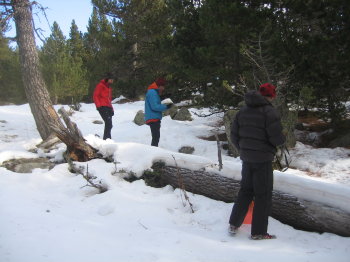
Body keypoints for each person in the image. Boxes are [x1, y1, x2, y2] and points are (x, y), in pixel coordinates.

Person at [228, 83, 285, 240]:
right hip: (263, 159)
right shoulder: (269, 112)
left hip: (247, 158)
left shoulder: (242, 112)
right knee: (263, 195)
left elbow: (233, 136)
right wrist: (281, 140)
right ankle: (258, 232)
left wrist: (244, 149)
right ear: (272, 96)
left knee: (245, 191)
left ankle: (234, 224)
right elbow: (277, 138)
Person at [144, 77, 171, 147]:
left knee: (156, 137)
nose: (163, 88)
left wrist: (162, 98)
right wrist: (166, 107)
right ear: (159, 86)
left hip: (154, 117)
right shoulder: (152, 92)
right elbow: (155, 106)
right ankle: (153, 153)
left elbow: (155, 102)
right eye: (163, 86)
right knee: (155, 137)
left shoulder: (153, 92)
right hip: (153, 118)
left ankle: (153, 152)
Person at [93, 73, 115, 140]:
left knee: (109, 124)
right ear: (107, 79)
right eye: (111, 80)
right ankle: (107, 139)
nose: (112, 81)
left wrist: (112, 108)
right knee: (108, 123)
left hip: (108, 106)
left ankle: (107, 139)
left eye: (113, 80)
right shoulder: (100, 85)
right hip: (102, 106)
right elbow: (95, 96)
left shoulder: (109, 87)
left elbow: (109, 99)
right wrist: (98, 106)